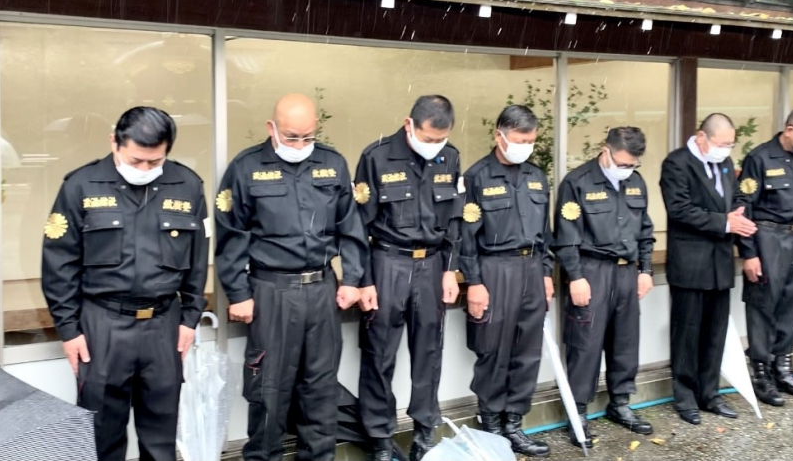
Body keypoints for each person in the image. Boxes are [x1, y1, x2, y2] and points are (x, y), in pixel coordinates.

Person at [41, 107, 207, 461]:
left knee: (161, 439)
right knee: (102, 435)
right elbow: (59, 264)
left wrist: (190, 318)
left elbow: (197, 259)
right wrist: (69, 330)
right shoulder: (80, 185)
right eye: (136, 160)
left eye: (155, 162)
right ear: (114, 142)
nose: (145, 170)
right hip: (103, 323)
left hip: (164, 324)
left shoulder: (188, 185)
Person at [214, 94, 369, 461]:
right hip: (271, 291)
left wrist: (352, 279)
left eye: (307, 137)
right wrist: (238, 292)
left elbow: (351, 227)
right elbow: (230, 234)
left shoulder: (332, 164)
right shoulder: (246, 167)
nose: (299, 145)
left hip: (321, 289)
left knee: (320, 389)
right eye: (291, 136)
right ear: (272, 129)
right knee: (269, 389)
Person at [355, 95, 463, 461]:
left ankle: (424, 433)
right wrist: (364, 279)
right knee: (379, 354)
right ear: (409, 125)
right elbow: (359, 227)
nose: (435, 147)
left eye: (441, 139)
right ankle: (381, 439)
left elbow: (454, 222)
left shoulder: (451, 158)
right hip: (388, 262)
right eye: (428, 138)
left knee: (428, 354)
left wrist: (450, 269)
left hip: (432, 265)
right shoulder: (377, 157)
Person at [459, 105, 554, 458]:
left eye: (530, 140)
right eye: (519, 139)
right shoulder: (477, 177)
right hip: (494, 270)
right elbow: (464, 237)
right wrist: (474, 282)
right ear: (499, 135)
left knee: (527, 352)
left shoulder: (537, 177)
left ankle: (515, 424)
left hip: (531, 269)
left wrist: (546, 272)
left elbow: (545, 233)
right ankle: (491, 425)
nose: (525, 145)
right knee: (493, 352)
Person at [554, 127, 656, 448]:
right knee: (584, 344)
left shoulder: (636, 182)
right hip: (592, 270)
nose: (627, 170)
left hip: (627, 274)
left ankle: (620, 402)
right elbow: (566, 235)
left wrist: (646, 269)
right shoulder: (577, 182)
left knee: (625, 341)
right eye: (622, 163)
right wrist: (576, 276)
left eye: (633, 165)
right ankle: (578, 412)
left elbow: (645, 230)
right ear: (605, 150)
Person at [660, 113, 756, 425]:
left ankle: (710, 393)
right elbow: (680, 209)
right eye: (721, 143)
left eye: (730, 144)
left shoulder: (725, 163)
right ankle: (685, 397)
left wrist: (739, 209)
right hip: (690, 262)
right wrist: (725, 221)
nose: (726, 149)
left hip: (719, 262)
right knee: (687, 334)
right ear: (702, 137)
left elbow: (735, 193)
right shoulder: (677, 163)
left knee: (715, 333)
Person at [733, 106, 793, 406]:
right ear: (790, 130)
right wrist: (749, 253)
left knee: (791, 304)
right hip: (767, 237)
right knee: (763, 306)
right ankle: (761, 373)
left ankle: (783, 367)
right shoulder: (759, 158)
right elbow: (743, 206)